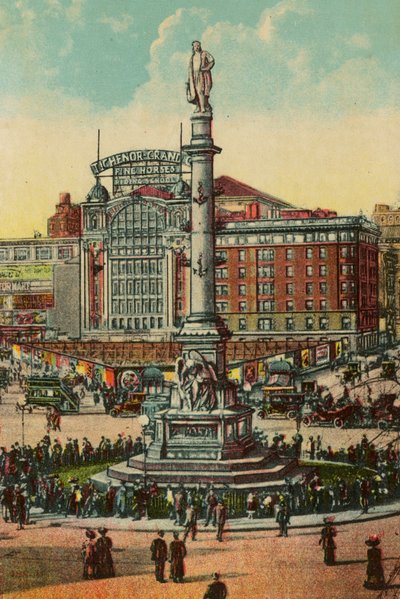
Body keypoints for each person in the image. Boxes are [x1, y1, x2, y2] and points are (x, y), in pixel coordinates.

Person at [187, 40, 215, 114]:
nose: (197, 47)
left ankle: (203, 108)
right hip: (194, 76)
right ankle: (199, 106)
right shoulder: (192, 57)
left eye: (198, 45)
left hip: (202, 75)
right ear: (193, 47)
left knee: (200, 90)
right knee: (195, 92)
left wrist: (206, 68)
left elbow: (212, 61)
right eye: (195, 46)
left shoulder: (204, 53)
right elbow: (190, 68)